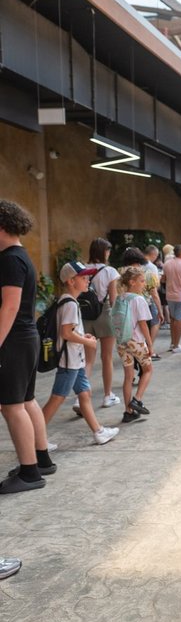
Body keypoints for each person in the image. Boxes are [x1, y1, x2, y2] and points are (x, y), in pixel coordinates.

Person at [0, 200, 55, 494]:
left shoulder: (9, 259)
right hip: (25, 337)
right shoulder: (21, 256)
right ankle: (41, 458)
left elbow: (9, 307)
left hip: (14, 340)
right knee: (27, 400)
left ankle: (30, 473)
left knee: (11, 406)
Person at [40, 261, 119, 446]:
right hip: (70, 362)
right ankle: (36, 440)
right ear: (70, 281)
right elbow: (66, 333)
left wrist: (84, 336)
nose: (88, 280)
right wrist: (87, 341)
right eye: (83, 277)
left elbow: (70, 331)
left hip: (75, 360)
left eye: (87, 277)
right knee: (57, 399)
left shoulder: (69, 301)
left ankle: (99, 432)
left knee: (85, 395)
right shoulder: (70, 304)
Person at [113, 267, 154, 424]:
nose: (144, 284)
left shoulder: (120, 298)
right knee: (148, 369)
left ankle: (128, 411)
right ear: (132, 282)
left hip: (122, 341)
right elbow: (143, 324)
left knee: (128, 376)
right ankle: (137, 400)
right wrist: (150, 345)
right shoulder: (138, 299)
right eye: (142, 281)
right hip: (136, 341)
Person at [84, 238, 121, 408]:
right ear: (103, 252)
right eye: (107, 250)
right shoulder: (110, 272)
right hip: (104, 314)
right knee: (106, 357)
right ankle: (108, 396)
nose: (109, 253)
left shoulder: (83, 269)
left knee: (87, 360)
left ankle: (81, 398)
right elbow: (113, 300)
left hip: (86, 316)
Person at [123, 247, 162, 361]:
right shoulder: (148, 272)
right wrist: (160, 310)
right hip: (144, 305)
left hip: (125, 308)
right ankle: (147, 349)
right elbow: (154, 293)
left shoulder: (121, 273)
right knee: (147, 326)